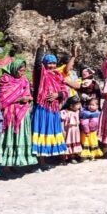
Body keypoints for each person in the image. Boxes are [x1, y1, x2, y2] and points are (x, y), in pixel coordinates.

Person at [32, 37, 72, 165]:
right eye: (49, 63)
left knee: (54, 132)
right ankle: (41, 161)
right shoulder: (40, 74)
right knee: (42, 132)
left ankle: (55, 158)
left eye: (54, 63)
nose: (52, 66)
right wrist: (42, 45)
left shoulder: (58, 75)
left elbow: (65, 91)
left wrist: (57, 94)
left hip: (54, 109)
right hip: (42, 109)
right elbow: (37, 63)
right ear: (44, 64)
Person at [0, 59, 38, 170]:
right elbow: (3, 98)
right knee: (10, 136)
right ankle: (6, 164)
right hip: (10, 113)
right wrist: (20, 98)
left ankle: (17, 161)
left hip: (23, 112)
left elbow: (28, 94)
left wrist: (28, 98)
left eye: (24, 70)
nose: (22, 73)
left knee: (20, 136)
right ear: (14, 68)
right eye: (20, 70)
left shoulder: (24, 81)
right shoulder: (5, 80)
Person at [60, 96, 82, 163]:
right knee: (68, 143)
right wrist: (62, 130)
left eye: (79, 103)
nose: (79, 105)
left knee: (74, 143)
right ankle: (65, 158)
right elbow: (62, 122)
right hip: (68, 132)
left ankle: (73, 157)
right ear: (71, 106)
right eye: (77, 104)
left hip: (75, 132)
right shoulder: (65, 112)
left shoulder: (78, 112)